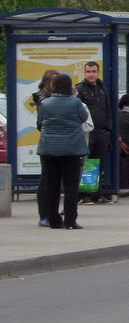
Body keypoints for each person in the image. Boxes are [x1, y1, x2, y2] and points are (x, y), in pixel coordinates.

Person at [35, 72, 90, 230]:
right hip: (71, 149)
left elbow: (40, 123)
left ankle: (53, 220)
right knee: (71, 186)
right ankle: (70, 220)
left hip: (49, 149)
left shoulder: (45, 103)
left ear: (54, 86)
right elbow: (83, 118)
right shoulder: (76, 103)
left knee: (51, 186)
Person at [76, 60, 113, 204]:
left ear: (98, 73)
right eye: (88, 72)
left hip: (102, 131)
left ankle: (96, 193)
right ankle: (84, 194)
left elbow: (108, 109)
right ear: (84, 73)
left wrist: (108, 129)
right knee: (88, 163)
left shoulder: (102, 88)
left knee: (98, 163)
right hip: (88, 132)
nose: (91, 75)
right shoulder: (80, 89)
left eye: (93, 72)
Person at [31, 70, 60, 227]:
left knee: (53, 179)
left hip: (56, 142)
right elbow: (41, 124)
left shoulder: (54, 97)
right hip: (49, 142)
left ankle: (51, 212)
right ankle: (44, 214)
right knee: (46, 179)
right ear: (47, 83)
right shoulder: (44, 99)